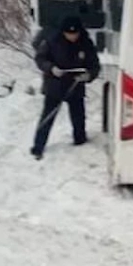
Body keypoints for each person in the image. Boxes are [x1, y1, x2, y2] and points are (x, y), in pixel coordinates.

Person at [30, 15, 101, 159]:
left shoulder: (86, 43)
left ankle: (80, 140)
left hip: (76, 84)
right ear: (63, 32)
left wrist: (88, 75)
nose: (72, 36)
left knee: (78, 116)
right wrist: (51, 68)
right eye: (69, 34)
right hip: (55, 85)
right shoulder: (51, 41)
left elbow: (94, 65)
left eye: (75, 33)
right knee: (48, 116)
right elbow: (40, 59)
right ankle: (38, 146)